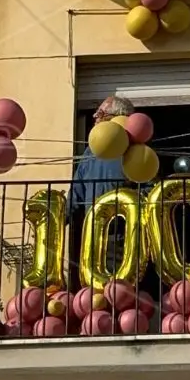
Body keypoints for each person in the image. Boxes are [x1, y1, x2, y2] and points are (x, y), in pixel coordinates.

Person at [67, 96, 135, 290]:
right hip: (92, 237)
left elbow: (149, 191)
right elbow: (76, 195)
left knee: (120, 295)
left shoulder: (135, 150)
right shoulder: (90, 151)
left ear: (119, 119)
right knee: (93, 297)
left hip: (123, 239)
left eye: (102, 113)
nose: (95, 117)